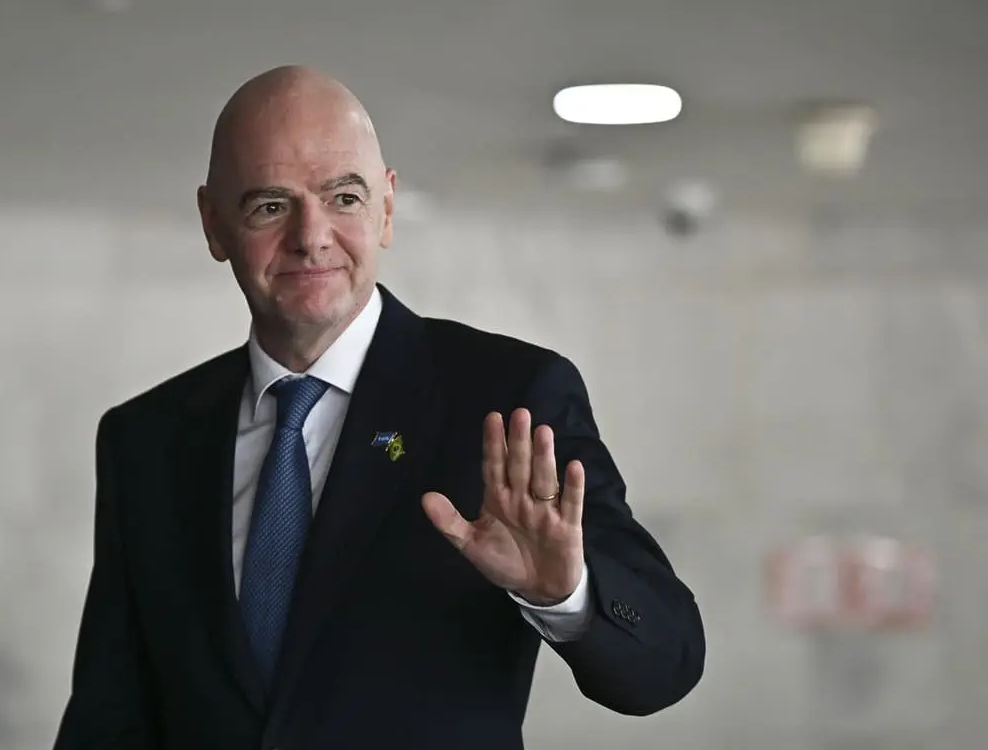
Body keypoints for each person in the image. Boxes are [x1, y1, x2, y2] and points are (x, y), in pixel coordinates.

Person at [53, 66, 705, 750]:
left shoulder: (507, 396)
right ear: (214, 224)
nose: (311, 236)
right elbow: (109, 715)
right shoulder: (146, 440)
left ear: (386, 209)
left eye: (343, 198)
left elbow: (668, 661)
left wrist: (566, 596)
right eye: (270, 206)